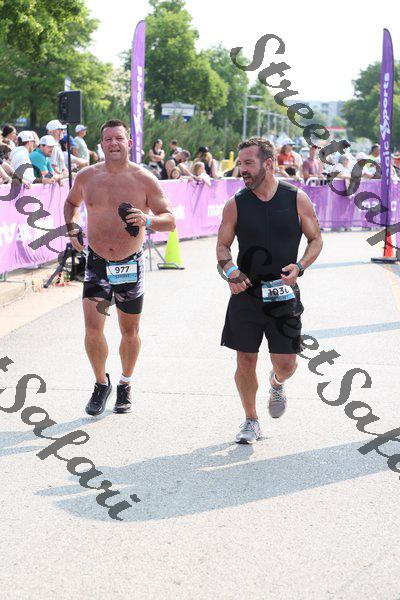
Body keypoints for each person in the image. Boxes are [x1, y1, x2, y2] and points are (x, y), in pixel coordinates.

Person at [64, 119, 176, 417]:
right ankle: (101, 383)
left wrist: (148, 220)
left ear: (129, 142)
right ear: (101, 144)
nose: (114, 143)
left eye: (119, 138)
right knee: (92, 329)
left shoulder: (144, 178)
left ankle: (125, 383)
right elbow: (71, 203)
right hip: (97, 263)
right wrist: (72, 226)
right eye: (108, 139)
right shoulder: (87, 176)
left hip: (130, 264)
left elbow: (170, 219)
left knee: (129, 331)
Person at [217, 137, 323, 444]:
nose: (242, 169)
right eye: (240, 163)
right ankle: (251, 420)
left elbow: (316, 239)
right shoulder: (235, 204)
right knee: (245, 360)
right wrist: (230, 271)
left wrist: (300, 266)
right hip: (246, 294)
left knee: (286, 364)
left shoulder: (296, 198)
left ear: (268, 163)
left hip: (283, 295)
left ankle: (277, 383)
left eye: (248, 163)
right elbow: (222, 246)